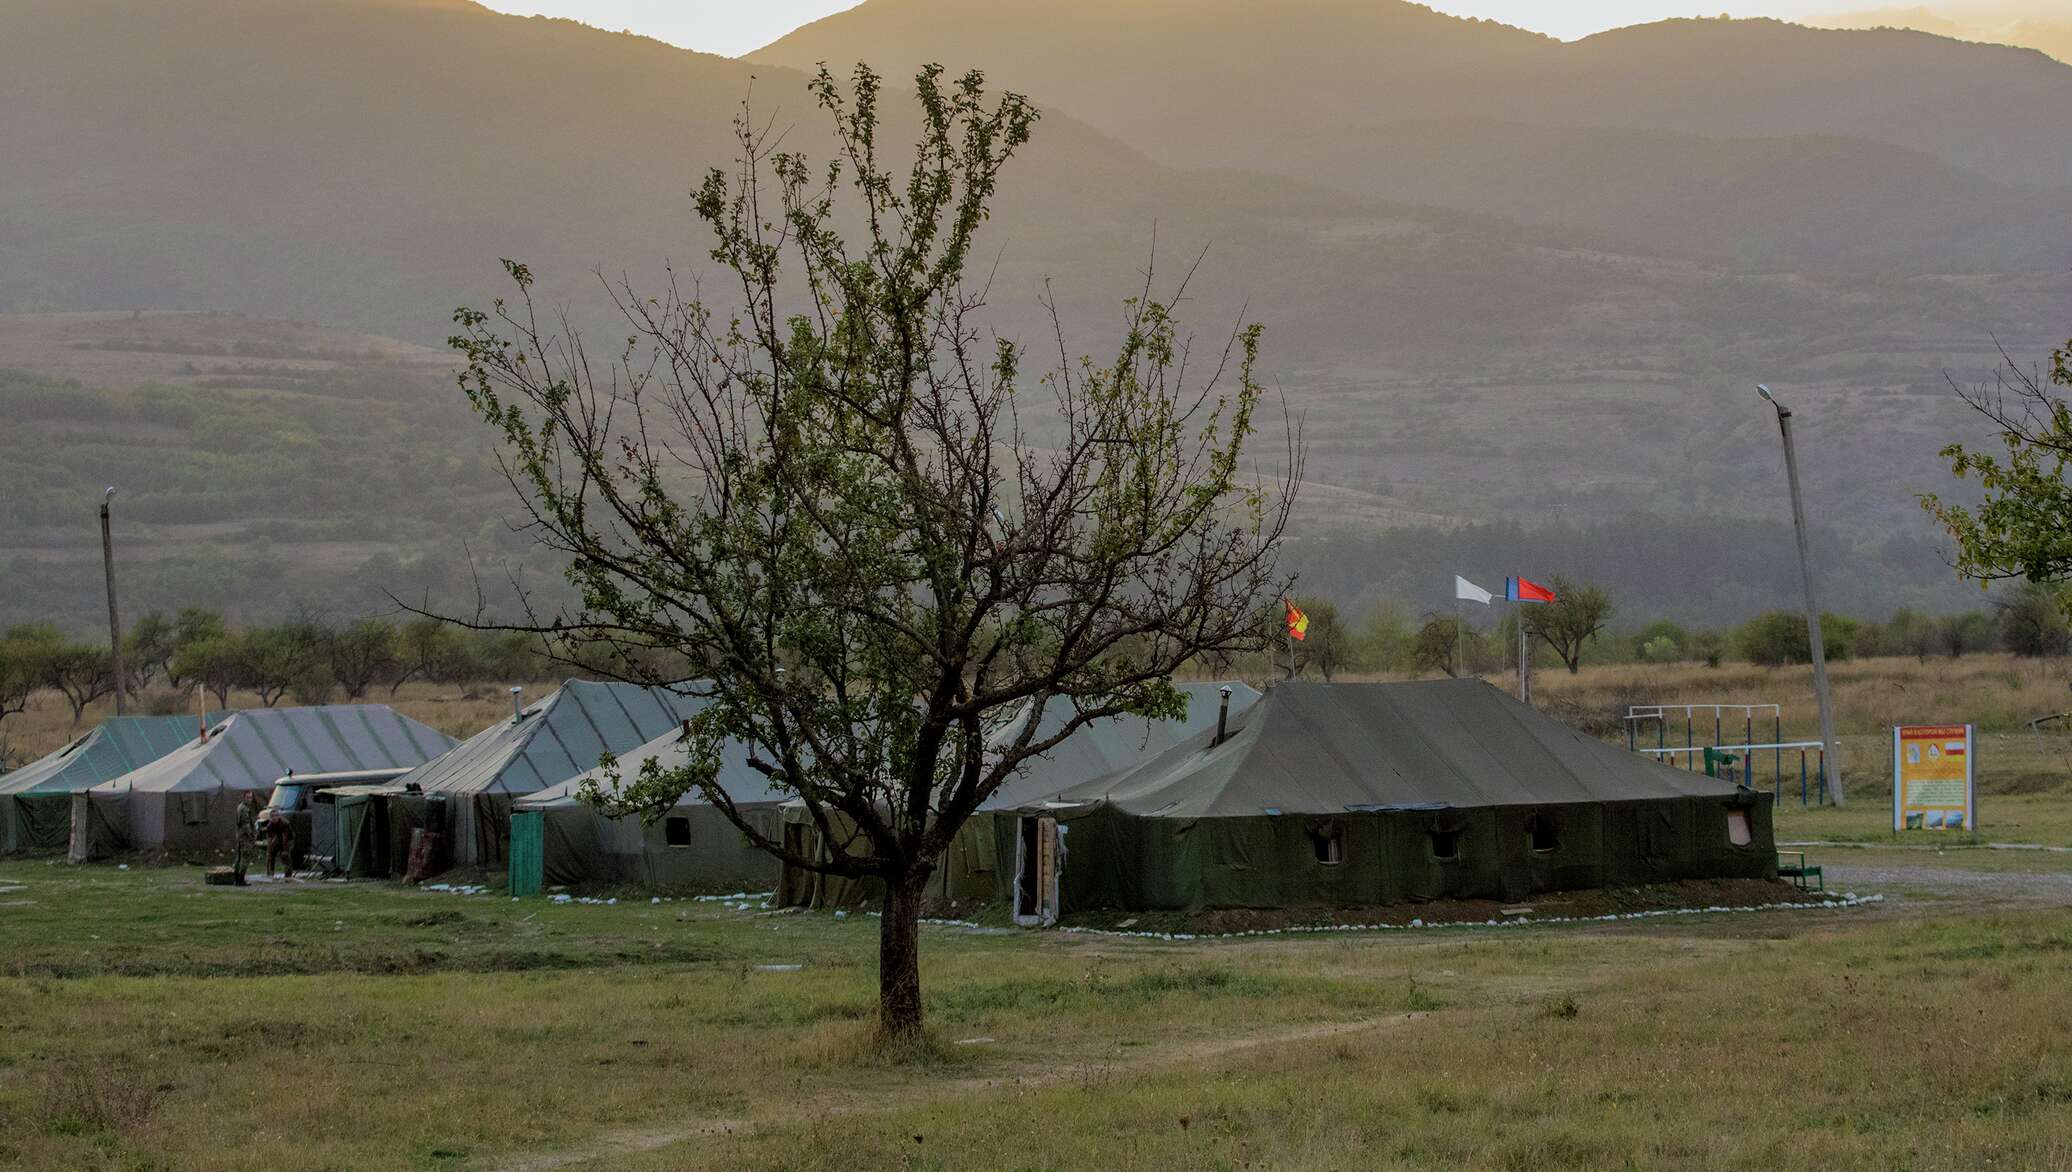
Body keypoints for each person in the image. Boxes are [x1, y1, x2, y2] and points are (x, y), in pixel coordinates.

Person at [234, 791, 262, 884]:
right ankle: (240, 879)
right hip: (245, 838)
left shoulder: (240, 807)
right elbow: (246, 825)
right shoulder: (244, 809)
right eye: (248, 797)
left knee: (239, 858)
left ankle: (236, 879)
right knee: (245, 858)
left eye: (251, 797)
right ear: (243, 798)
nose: (250, 799)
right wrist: (252, 836)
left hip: (240, 837)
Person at [266, 806, 293, 878]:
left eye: (276, 816)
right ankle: (270, 873)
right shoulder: (269, 825)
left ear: (279, 816)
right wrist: (269, 849)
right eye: (272, 816)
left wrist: (284, 850)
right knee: (271, 854)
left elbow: (285, 838)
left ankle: (288, 875)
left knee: (285, 855)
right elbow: (269, 838)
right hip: (278, 837)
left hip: (289, 839)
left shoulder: (284, 823)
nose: (274, 818)